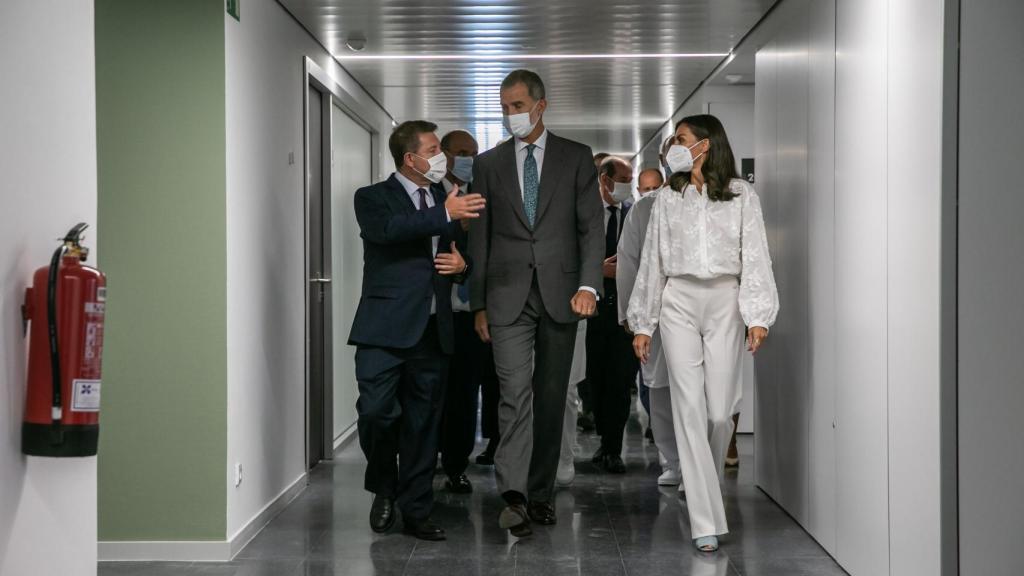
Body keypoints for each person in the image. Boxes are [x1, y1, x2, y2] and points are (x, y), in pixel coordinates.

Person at [628, 114, 779, 552]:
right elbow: (653, 261)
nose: (674, 145)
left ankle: (704, 488)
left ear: (706, 145)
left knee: (719, 412)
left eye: (681, 139)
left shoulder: (740, 195)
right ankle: (705, 521)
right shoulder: (666, 199)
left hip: (724, 301)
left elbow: (755, 255)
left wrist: (758, 315)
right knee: (689, 407)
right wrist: (643, 322)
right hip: (677, 300)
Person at [469, 69, 604, 538]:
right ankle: (513, 494)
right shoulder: (488, 164)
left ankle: (542, 491)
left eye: (518, 106)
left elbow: (591, 227)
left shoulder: (576, 158)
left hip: (562, 294)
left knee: (551, 397)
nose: (512, 115)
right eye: (505, 107)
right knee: (513, 393)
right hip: (506, 296)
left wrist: (589, 285)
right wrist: (479, 304)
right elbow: (480, 238)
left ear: (541, 105)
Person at [349, 120, 486, 541]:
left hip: (434, 328)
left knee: (424, 424)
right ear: (411, 158)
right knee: (376, 413)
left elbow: (461, 257)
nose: (441, 156)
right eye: (433, 149)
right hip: (384, 328)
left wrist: (464, 268)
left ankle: (416, 509)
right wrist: (444, 212)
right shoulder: (373, 198)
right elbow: (387, 232)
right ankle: (383, 486)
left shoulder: (447, 200)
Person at [436, 129, 500, 491]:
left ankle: (456, 466)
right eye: (461, 151)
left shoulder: (480, 198)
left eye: (473, 153)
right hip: (434, 312)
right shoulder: (431, 196)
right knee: (433, 392)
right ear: (443, 154)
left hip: (470, 310)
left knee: (464, 393)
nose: (468, 159)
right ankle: (427, 455)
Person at [617, 172, 681, 488]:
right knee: (659, 388)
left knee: (700, 391)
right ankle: (672, 461)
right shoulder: (644, 209)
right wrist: (631, 313)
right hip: (655, 311)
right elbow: (628, 261)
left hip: (698, 309)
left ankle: (699, 463)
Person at [586, 156, 638, 474]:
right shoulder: (585, 213)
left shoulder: (633, 215)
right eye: (623, 178)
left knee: (619, 382)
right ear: (605, 180)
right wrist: (598, 270)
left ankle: (613, 448)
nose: (627, 185)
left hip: (624, 314)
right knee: (595, 381)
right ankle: (603, 438)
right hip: (590, 311)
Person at [556, 320, 588, 487]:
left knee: (567, 390)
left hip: (569, 310)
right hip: (530, 310)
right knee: (530, 390)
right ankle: (532, 455)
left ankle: (565, 456)